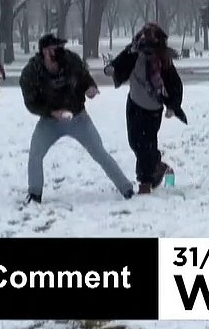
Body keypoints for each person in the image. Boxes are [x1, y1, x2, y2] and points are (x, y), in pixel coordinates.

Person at [20, 34, 135, 204]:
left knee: (99, 152)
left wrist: (90, 88)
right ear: (44, 51)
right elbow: (31, 103)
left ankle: (126, 189)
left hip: (78, 117)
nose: (59, 52)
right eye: (54, 49)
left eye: (60, 48)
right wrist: (52, 112)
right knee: (35, 155)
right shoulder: (32, 71)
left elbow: (84, 77)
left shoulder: (70, 60)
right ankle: (34, 194)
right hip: (50, 121)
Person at [108, 23, 187, 194]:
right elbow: (120, 63)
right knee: (134, 142)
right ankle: (157, 164)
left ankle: (144, 183)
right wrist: (112, 69)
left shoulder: (163, 61)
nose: (148, 51)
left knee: (146, 144)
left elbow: (175, 84)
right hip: (134, 103)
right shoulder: (133, 52)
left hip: (153, 108)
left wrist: (173, 106)